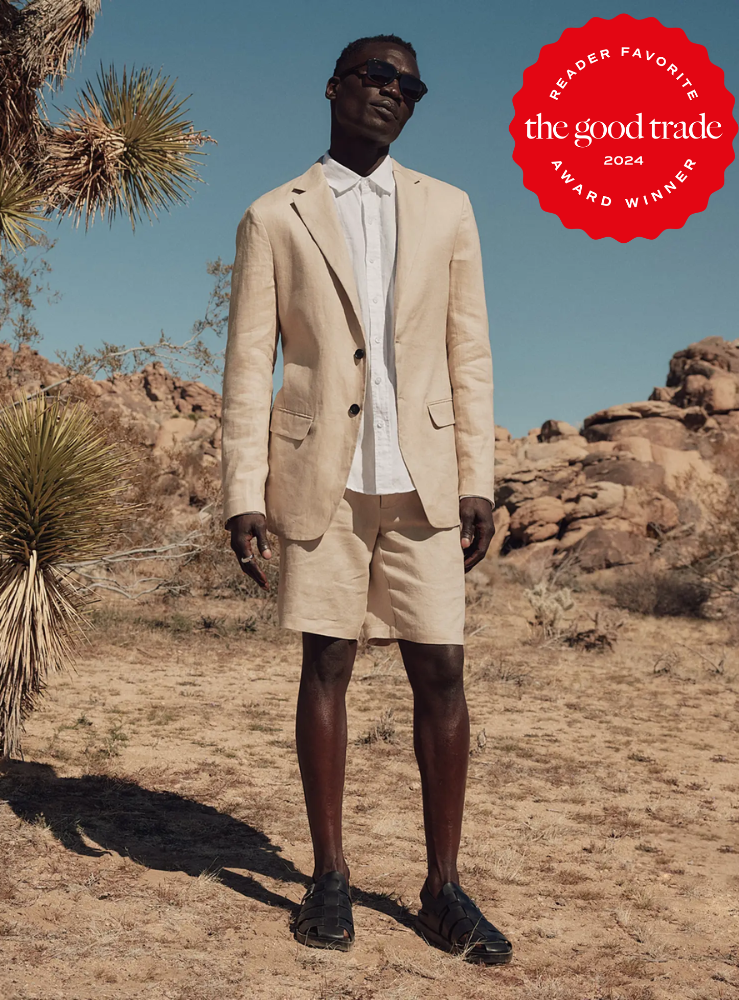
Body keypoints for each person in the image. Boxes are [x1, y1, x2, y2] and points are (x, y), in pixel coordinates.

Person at [221, 33, 511, 964]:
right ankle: (329, 876)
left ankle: (443, 888)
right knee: (327, 667)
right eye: (377, 78)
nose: (394, 94)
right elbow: (246, 368)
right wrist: (241, 493)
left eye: (411, 87)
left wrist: (477, 477)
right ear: (337, 86)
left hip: (422, 474)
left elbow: (470, 353)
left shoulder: (449, 209)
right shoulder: (275, 215)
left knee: (443, 673)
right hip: (321, 477)